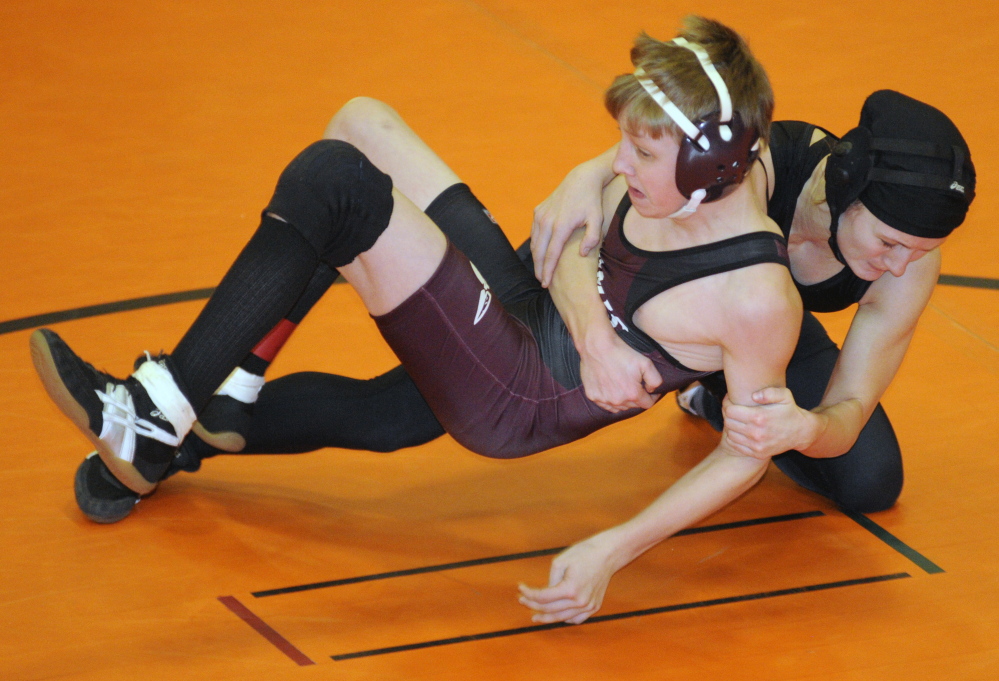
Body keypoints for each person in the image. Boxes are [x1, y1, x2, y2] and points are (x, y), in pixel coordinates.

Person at [37, 17, 802, 624]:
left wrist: (611, 548)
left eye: (637, 150)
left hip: (516, 390)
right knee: (359, 123)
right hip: (535, 305)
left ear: (711, 165)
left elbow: (746, 454)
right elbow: (590, 213)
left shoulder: (753, 298)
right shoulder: (718, 160)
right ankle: (232, 383)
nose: (619, 163)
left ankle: (155, 410)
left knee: (336, 185)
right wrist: (586, 195)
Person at [529, 88, 976, 513]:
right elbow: (662, 148)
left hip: (757, 333)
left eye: (921, 250)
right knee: (495, 376)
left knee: (870, 479)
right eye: (889, 242)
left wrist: (807, 428)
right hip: (640, 289)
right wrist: (587, 175)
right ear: (845, 193)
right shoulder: (756, 167)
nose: (899, 266)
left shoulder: (909, 267)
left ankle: (709, 395)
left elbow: (851, 408)